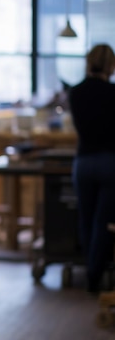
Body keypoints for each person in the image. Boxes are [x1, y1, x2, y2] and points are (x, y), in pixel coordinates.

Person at [68, 43, 115, 294]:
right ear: (110, 65)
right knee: (103, 221)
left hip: (83, 162)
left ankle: (89, 270)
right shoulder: (113, 92)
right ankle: (95, 277)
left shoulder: (76, 93)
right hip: (109, 162)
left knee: (85, 219)